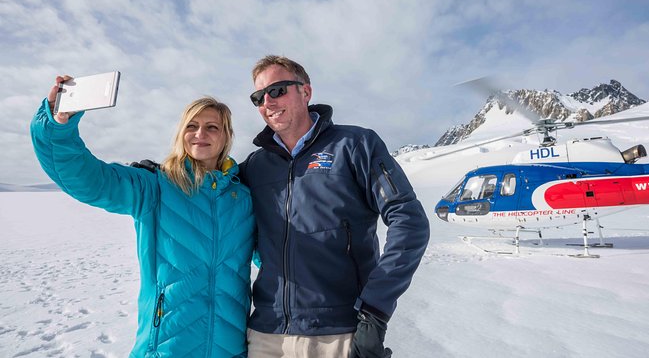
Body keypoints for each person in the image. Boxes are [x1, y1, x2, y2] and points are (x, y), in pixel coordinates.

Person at [30, 76, 255, 358]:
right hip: (167, 346)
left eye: (212, 127)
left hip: (230, 348)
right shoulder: (155, 185)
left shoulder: (243, 198)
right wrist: (57, 127)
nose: (201, 134)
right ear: (181, 134)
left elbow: (274, 256)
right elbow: (89, 180)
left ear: (226, 136)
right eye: (192, 126)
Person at [240, 56, 430, 358]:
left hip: (338, 333)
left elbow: (409, 221)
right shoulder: (254, 166)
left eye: (277, 90)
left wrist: (375, 310)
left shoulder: (355, 145)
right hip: (266, 334)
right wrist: (164, 173)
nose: (267, 102)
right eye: (258, 97)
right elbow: (207, 186)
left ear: (306, 91)